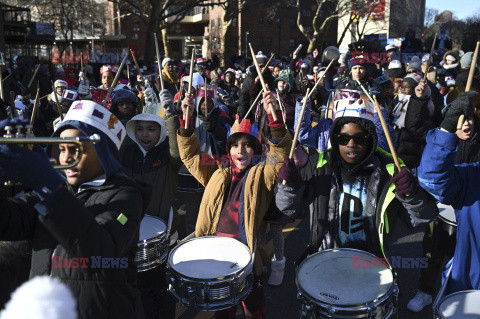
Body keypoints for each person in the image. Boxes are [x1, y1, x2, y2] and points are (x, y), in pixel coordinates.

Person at [0, 101, 145, 319]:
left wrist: (47, 186)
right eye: (61, 149)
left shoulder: (127, 197)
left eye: (76, 149)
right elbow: (6, 223)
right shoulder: (52, 191)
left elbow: (99, 254)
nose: (66, 158)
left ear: (103, 152)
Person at [276, 96, 435, 265]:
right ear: (335, 139)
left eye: (359, 138)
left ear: (371, 139)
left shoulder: (391, 172)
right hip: (324, 261)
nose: (351, 144)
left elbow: (422, 218)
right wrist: (290, 186)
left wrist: (412, 195)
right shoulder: (318, 165)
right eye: (343, 139)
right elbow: (289, 209)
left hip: (371, 264)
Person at [177, 90, 291, 318]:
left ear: (255, 149)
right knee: (223, 311)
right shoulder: (216, 170)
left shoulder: (262, 173)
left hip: (248, 256)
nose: (241, 150)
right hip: (217, 254)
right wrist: (186, 121)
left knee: (254, 310)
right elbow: (190, 156)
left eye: (247, 145)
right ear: (228, 150)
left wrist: (275, 119)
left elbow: (278, 155)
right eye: (235, 145)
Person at [407, 109, 480, 312]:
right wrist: (445, 134)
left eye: (470, 119)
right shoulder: (471, 171)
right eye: (461, 120)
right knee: (433, 252)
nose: (467, 124)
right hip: (446, 208)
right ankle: (425, 290)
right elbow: (433, 175)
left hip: (464, 212)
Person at [120, 90, 182, 319]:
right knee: (133, 289)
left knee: (161, 291)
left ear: (162, 131)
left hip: (162, 236)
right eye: (140, 129)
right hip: (129, 231)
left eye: (152, 128)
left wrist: (171, 116)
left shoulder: (168, 157)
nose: (145, 134)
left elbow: (178, 152)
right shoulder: (125, 153)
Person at [388, 73, 436, 170]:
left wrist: (418, 99)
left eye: (407, 87)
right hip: (394, 151)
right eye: (402, 86)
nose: (403, 89)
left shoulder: (423, 106)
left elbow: (414, 124)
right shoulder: (396, 102)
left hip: (411, 154)